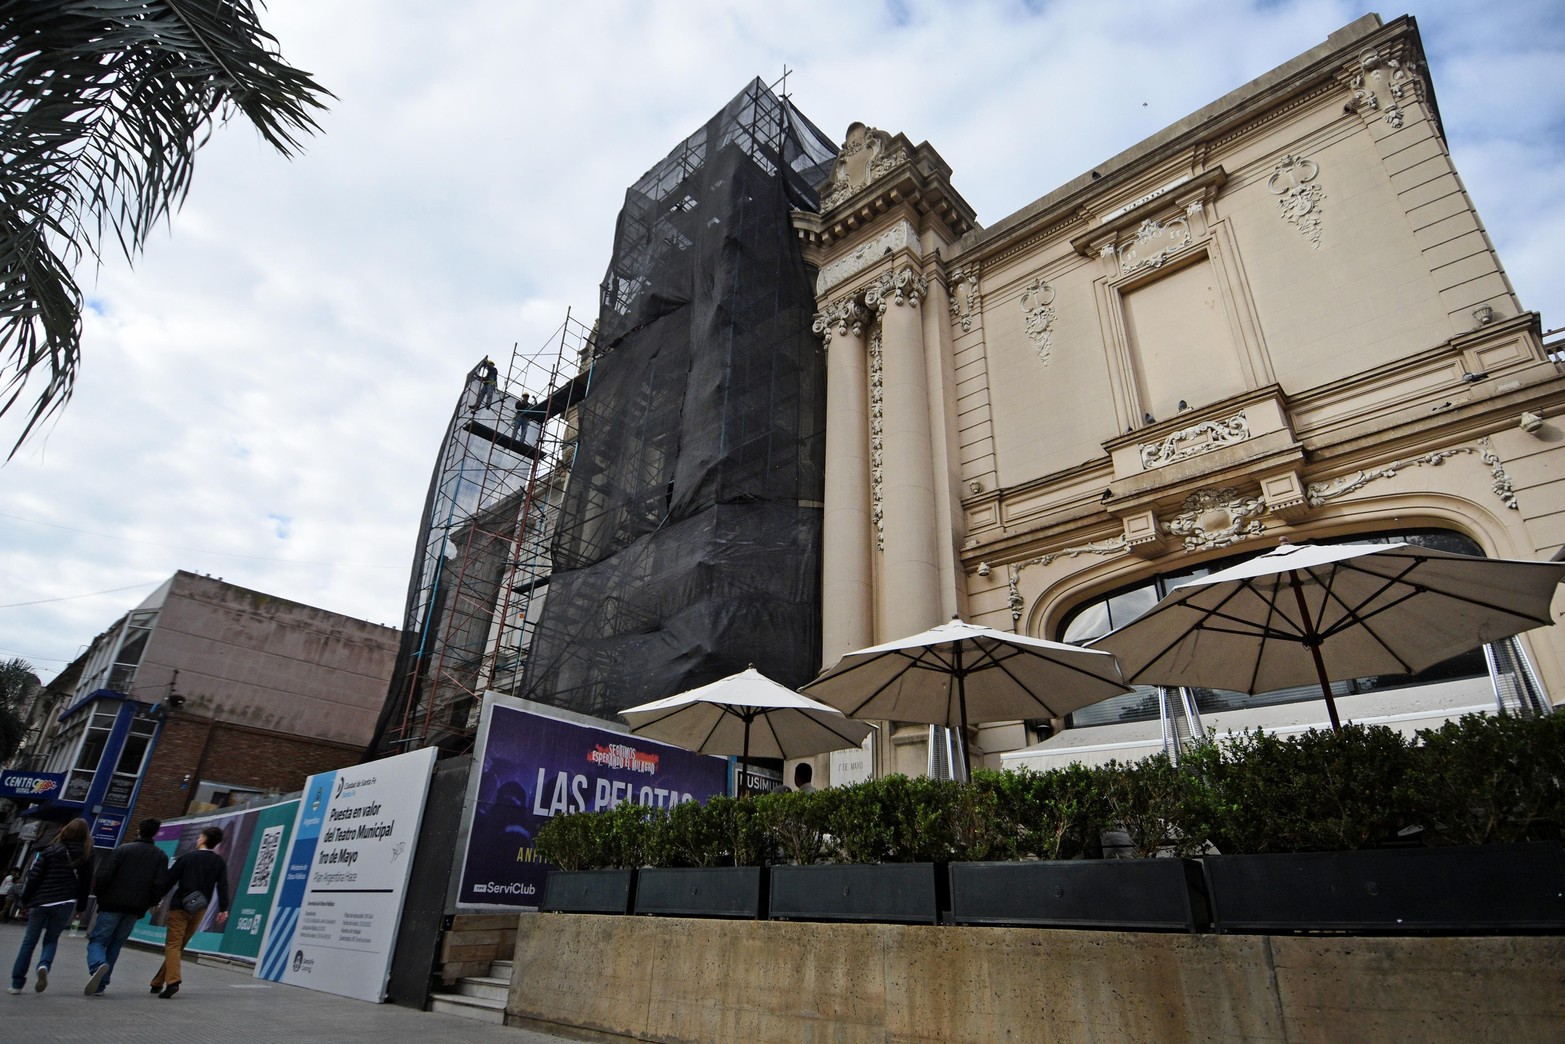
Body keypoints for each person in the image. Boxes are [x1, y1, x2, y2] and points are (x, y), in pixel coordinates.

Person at [84, 817, 169, 997]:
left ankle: (98, 966)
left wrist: (101, 895)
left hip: (112, 903)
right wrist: (150, 903)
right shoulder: (160, 856)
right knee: (116, 944)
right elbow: (159, 884)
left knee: (98, 940)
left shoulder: (123, 850)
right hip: (135, 908)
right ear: (155, 833)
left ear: (139, 830)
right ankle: (102, 983)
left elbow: (105, 875)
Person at [8, 818, 92, 994]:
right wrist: (81, 907)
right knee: (51, 939)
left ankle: (17, 983)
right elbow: (85, 884)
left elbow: (34, 878)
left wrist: (25, 900)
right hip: (65, 903)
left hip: (41, 901)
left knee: (29, 942)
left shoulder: (51, 850)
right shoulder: (86, 855)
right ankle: (44, 965)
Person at [149, 826, 229, 999]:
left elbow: (169, 880)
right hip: (200, 908)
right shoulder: (219, 862)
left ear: (204, 839)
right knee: (179, 946)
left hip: (179, 906)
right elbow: (222, 886)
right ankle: (157, 982)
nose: (198, 838)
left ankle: (173, 981)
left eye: (200, 836)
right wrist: (223, 909)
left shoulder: (187, 857)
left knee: (173, 944)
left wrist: (155, 900)